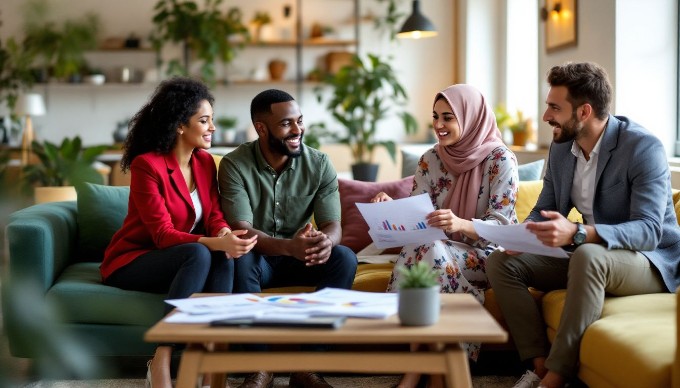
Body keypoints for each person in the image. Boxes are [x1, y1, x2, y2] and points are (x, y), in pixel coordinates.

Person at [486, 62, 680, 388]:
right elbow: (544, 208)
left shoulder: (642, 148)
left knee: (587, 255)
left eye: (554, 107)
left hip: (651, 260)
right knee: (501, 262)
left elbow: (649, 230)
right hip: (593, 253)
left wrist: (580, 233)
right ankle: (537, 365)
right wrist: (521, 236)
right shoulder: (562, 148)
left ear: (584, 111)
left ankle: (556, 377)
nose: (546, 115)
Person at [101, 77, 257, 388]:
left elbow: (213, 214)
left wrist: (225, 234)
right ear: (180, 126)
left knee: (222, 254)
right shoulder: (148, 166)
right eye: (204, 120)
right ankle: (161, 355)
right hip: (134, 259)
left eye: (212, 119)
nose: (212, 127)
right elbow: (161, 234)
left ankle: (209, 357)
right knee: (201, 251)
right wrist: (214, 241)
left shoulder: (205, 162)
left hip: (181, 257)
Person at [371, 84, 519, 388]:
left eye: (448, 117)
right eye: (436, 116)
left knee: (428, 253)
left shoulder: (500, 160)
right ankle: (438, 371)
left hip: (487, 256)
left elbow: (503, 228)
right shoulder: (430, 159)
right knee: (427, 249)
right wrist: (393, 210)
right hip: (434, 249)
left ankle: (415, 372)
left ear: (471, 117)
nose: (438, 125)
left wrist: (460, 224)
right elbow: (419, 216)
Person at [218, 88, 358, 388]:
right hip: (260, 259)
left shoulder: (319, 164)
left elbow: (333, 224)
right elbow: (242, 230)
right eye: (286, 124)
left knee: (344, 257)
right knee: (242, 255)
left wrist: (325, 242)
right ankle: (259, 368)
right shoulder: (234, 164)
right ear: (261, 128)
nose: (297, 130)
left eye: (299, 121)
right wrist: (288, 247)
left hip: (301, 258)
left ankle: (307, 367)